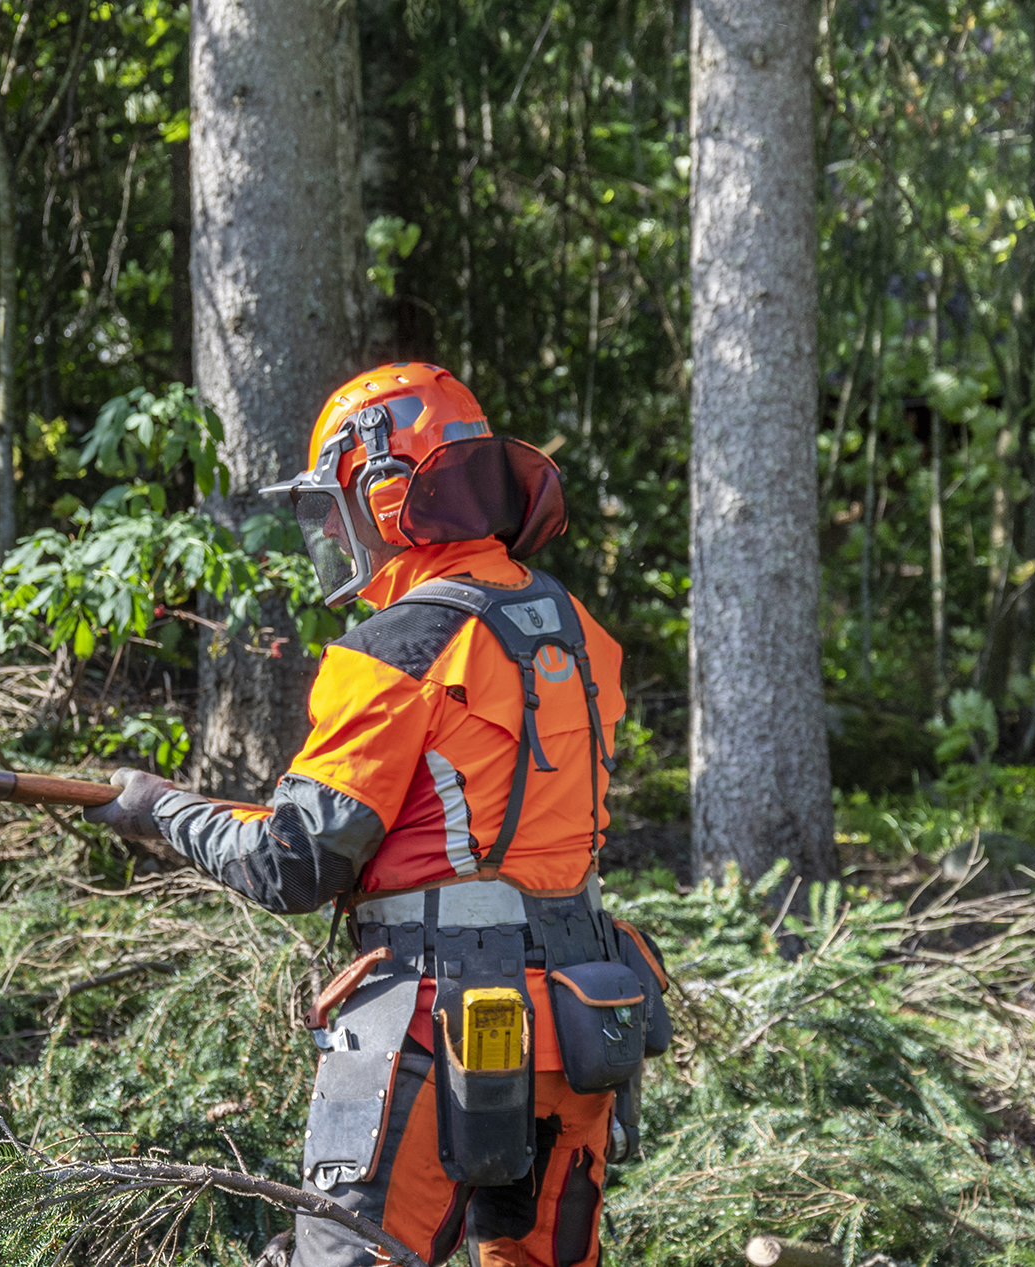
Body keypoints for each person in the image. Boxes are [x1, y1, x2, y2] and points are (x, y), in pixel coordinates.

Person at [84, 364, 669, 1267]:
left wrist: (164, 810)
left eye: (337, 506)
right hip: (582, 1012)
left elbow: (293, 863)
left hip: (438, 1021)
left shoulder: (396, 649)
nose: (332, 530)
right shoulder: (576, 630)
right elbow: (473, 826)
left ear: (388, 490)